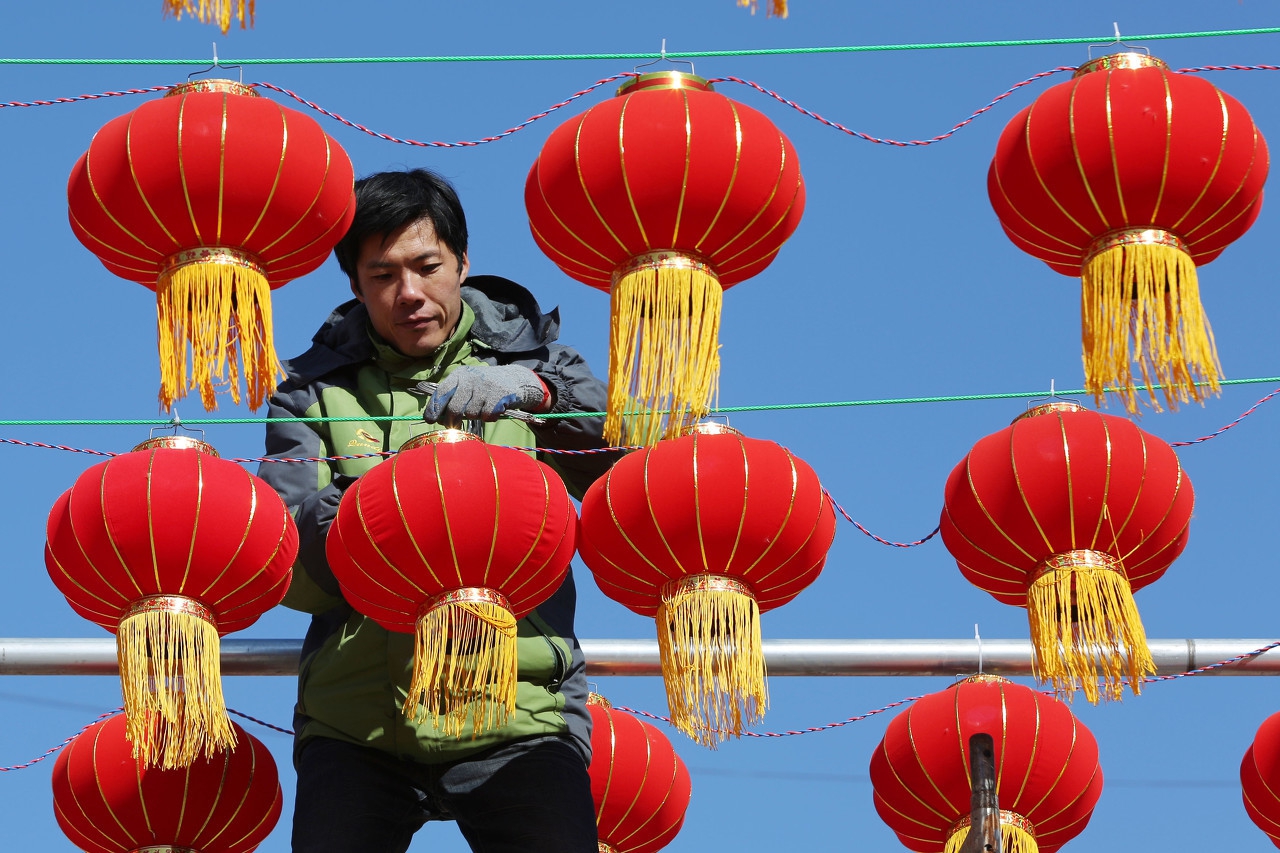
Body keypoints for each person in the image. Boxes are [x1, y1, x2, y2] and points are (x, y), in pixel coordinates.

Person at [258, 168, 618, 853]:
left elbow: (638, 463)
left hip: (523, 710)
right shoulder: (308, 392)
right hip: (355, 720)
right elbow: (288, 563)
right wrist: (389, 506)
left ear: (462, 261)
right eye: (383, 275)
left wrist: (541, 393)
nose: (410, 294)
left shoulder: (532, 360)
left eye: (427, 266)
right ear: (356, 285)